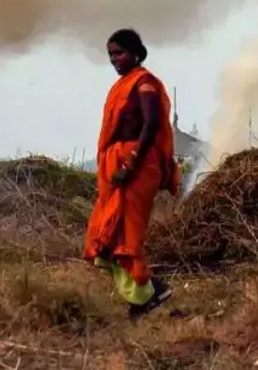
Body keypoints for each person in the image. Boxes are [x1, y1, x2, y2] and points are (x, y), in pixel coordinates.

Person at [84, 28, 180, 318]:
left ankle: (145, 297)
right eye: (111, 54)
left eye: (120, 53)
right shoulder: (120, 86)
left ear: (136, 53)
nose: (114, 59)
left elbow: (151, 124)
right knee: (107, 234)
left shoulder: (144, 83)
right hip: (117, 167)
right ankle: (149, 291)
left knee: (127, 236)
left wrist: (130, 165)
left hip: (137, 168)